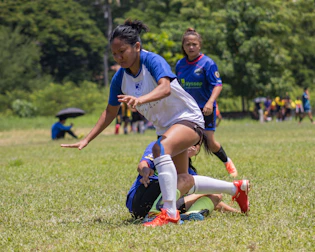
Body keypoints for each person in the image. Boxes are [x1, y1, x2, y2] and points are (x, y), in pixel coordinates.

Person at [60, 19, 248, 227]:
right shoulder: (120, 79)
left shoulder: (152, 61)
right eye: (114, 54)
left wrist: (140, 100)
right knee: (183, 179)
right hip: (167, 128)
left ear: (137, 47)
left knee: (160, 149)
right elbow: (110, 112)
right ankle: (236, 188)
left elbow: (165, 88)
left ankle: (169, 213)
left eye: (122, 51)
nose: (118, 57)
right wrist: (86, 139)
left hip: (189, 118)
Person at [126, 141, 246, 223]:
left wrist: (235, 212)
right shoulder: (161, 146)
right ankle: (154, 214)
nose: (192, 145)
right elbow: (142, 164)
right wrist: (146, 171)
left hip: (166, 202)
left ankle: (190, 215)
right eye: (189, 141)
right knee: (187, 182)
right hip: (141, 198)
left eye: (196, 144)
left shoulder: (189, 172)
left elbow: (216, 201)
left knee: (216, 196)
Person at [175, 28, 238, 177]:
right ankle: (186, 173)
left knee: (210, 143)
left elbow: (218, 85)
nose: (191, 47)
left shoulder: (207, 63)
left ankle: (228, 163)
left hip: (205, 109)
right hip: (187, 110)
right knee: (185, 142)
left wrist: (210, 102)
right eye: (188, 44)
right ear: (183, 46)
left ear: (200, 46)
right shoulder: (180, 65)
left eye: (194, 44)